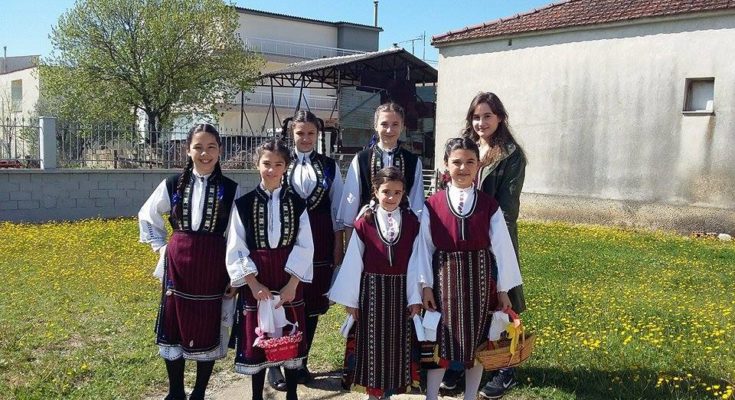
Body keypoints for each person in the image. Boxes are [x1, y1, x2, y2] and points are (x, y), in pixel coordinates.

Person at [407, 137, 523, 400]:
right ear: (446, 165)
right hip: (444, 282)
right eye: (457, 162)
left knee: (478, 345)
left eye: (470, 161)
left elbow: (502, 249)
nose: (463, 168)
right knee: (440, 341)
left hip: (480, 283)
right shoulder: (433, 204)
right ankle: (431, 396)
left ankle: (470, 396)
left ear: (478, 165)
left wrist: (503, 290)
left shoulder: (488, 205)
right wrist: (425, 286)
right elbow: (424, 248)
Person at [138, 123, 240, 400]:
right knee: (174, 323)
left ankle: (199, 392)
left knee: (207, 324)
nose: (205, 153)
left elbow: (236, 235)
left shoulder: (231, 189)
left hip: (213, 265)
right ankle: (175, 391)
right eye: (198, 147)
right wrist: (161, 247)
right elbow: (148, 215)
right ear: (188, 150)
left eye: (211, 147)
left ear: (220, 151)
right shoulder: (173, 184)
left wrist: (235, 275)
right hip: (178, 264)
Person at [225, 139, 314, 400]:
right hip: (258, 277)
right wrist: (253, 284)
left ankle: (292, 394)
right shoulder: (243, 204)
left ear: (286, 167)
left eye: (278, 164)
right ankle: (256, 395)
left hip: (288, 277)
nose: (271, 170)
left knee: (291, 335)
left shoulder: (297, 204)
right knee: (260, 339)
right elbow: (237, 246)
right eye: (266, 163)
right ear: (257, 164)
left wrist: (292, 285)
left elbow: (305, 245)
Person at [266, 110, 344, 388]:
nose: (306, 138)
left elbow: (337, 210)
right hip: (285, 238)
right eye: (301, 133)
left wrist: (338, 249)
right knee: (281, 301)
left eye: (311, 133)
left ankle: (301, 361)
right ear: (292, 133)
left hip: (320, 239)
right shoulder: (280, 162)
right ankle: (274, 364)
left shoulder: (329, 166)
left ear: (318, 134)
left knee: (309, 305)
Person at [330, 167, 420, 399]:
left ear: (404, 193)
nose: (391, 197)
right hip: (371, 294)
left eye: (397, 192)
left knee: (396, 345)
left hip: (401, 293)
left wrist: (415, 297)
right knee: (371, 345)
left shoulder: (412, 222)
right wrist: (351, 300)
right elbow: (353, 262)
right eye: (386, 191)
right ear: (376, 191)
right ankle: (372, 394)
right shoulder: (365, 223)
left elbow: (415, 262)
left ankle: (389, 393)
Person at [462, 92, 527, 399]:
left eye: (487, 116)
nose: (481, 122)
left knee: (503, 298)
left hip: (495, 236)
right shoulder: (465, 146)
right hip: (463, 237)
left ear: (500, 117)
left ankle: (506, 369)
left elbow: (507, 208)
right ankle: (466, 362)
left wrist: (483, 228)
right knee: (470, 298)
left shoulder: (511, 155)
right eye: (476, 116)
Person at [338, 102, 425, 238]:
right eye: (384, 124)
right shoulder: (361, 159)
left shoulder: (413, 161)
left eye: (395, 124)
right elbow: (351, 201)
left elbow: (416, 202)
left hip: (402, 230)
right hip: (368, 228)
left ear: (402, 127)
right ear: (376, 126)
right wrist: (349, 242)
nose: (389, 130)